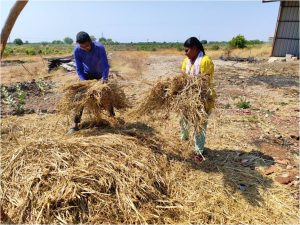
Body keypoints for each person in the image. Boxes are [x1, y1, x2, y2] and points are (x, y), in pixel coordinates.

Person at [69, 31, 114, 133]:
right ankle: (75, 123)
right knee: (79, 96)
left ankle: (112, 117)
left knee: (107, 94)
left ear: (90, 42)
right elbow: (79, 69)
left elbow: (105, 66)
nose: (85, 48)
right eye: (82, 47)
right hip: (87, 75)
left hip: (100, 75)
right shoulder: (77, 50)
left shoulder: (99, 48)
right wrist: (83, 82)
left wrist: (104, 79)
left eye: (87, 46)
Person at [180, 37, 216, 163]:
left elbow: (205, 81)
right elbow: (182, 77)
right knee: (183, 119)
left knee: (200, 125)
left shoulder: (206, 61)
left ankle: (199, 151)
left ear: (195, 48)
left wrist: (195, 92)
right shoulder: (186, 61)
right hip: (187, 97)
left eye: (187, 50)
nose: (185, 53)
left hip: (202, 98)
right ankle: (184, 140)